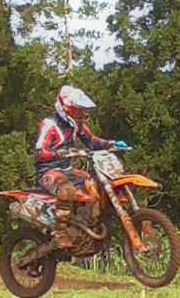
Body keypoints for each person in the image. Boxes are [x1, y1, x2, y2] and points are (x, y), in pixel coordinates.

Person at [34, 85, 128, 248]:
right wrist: (56, 153)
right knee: (67, 191)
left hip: (68, 170)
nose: (81, 113)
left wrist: (112, 144)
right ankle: (60, 233)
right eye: (78, 109)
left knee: (95, 184)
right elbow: (39, 149)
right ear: (66, 108)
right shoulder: (49, 125)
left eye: (82, 110)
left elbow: (92, 142)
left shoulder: (77, 125)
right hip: (48, 171)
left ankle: (88, 224)